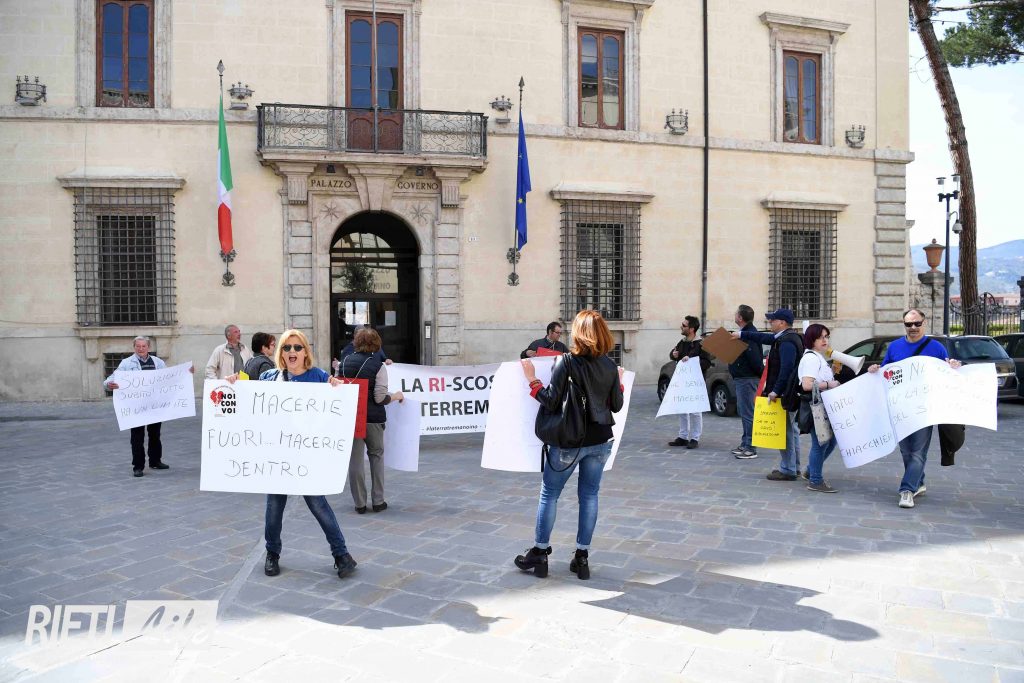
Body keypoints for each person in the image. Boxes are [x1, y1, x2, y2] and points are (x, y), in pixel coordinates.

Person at [225, 329, 358, 579]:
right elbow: (245, 397)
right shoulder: (268, 377)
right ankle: (272, 554)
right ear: (281, 353)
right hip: (278, 456)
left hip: (307, 456)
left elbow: (336, 406)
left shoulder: (318, 376)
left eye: (297, 347)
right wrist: (234, 382)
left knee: (318, 505)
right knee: (274, 507)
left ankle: (342, 555)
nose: (292, 351)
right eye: (287, 347)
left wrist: (337, 388)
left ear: (305, 352)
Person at [514, 309, 625, 581]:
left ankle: (540, 553)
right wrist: (619, 382)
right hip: (600, 441)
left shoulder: (566, 361)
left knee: (550, 494)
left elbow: (552, 401)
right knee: (589, 496)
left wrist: (532, 380)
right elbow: (616, 405)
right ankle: (582, 557)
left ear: (578, 333)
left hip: (569, 441)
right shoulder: (610, 365)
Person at [867, 308, 962, 508]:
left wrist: (954, 366)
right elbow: (886, 372)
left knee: (918, 452)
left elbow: (947, 373)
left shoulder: (936, 348)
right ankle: (919, 482)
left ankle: (907, 490)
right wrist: (875, 370)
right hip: (900, 408)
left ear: (924, 323)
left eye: (917, 323)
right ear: (904, 325)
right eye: (908, 324)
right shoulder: (894, 347)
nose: (913, 327)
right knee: (906, 451)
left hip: (924, 409)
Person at [104, 336, 193, 477]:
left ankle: (155, 461)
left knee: (155, 435)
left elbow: (170, 378)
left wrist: (186, 373)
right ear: (134, 347)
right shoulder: (126, 363)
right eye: (138, 346)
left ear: (148, 347)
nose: (141, 349)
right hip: (136, 407)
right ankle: (138, 466)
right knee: (137, 437)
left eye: (143, 346)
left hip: (155, 405)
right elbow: (110, 380)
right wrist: (109, 385)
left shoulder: (158, 362)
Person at [339, 327, 404, 514]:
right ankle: (378, 501)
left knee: (355, 460)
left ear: (356, 342)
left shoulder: (344, 362)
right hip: (373, 419)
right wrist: (396, 396)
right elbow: (380, 398)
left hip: (352, 418)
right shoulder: (378, 366)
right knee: (376, 456)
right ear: (376, 344)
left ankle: (359, 503)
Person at [733, 308, 804, 481]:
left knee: (786, 432)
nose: (770, 322)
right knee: (791, 431)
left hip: (785, 394)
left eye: (773, 320)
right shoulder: (784, 337)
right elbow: (763, 338)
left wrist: (776, 390)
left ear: (782, 323)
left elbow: (786, 369)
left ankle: (788, 469)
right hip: (789, 392)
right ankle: (794, 467)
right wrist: (741, 335)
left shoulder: (787, 342)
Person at [799, 324, 841, 493]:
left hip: (822, 405)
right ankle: (815, 480)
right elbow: (807, 385)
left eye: (826, 336)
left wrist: (832, 373)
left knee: (830, 441)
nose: (825, 340)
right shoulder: (811, 358)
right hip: (817, 407)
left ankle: (811, 471)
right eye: (820, 337)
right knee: (821, 443)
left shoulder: (817, 357)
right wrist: (829, 384)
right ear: (812, 339)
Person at [667, 316, 711, 449]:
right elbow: (674, 353)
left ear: (691, 329)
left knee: (695, 411)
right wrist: (673, 354)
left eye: (684, 325)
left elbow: (707, 362)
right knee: (682, 409)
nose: (681, 327)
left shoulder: (701, 344)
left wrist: (692, 361)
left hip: (695, 382)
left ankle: (695, 438)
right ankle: (683, 436)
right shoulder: (682, 342)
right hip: (682, 381)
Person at [729, 305, 763, 459]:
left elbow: (755, 359)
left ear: (740, 318)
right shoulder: (743, 333)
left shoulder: (750, 334)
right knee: (744, 412)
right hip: (742, 378)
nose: (734, 315)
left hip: (748, 379)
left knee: (748, 413)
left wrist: (758, 375)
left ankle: (750, 447)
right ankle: (745, 443)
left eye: (736, 313)